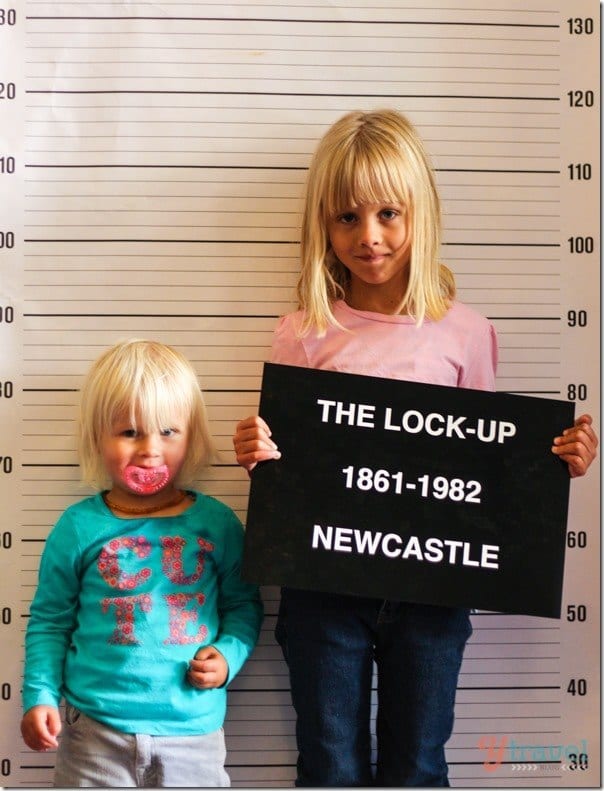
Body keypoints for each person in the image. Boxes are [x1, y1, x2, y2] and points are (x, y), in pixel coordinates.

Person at [232, 109, 598, 787]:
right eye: (346, 218)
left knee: (418, 766)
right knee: (330, 765)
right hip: (324, 590)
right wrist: (257, 450)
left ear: (420, 213)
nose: (368, 237)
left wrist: (559, 463)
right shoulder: (303, 332)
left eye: (388, 214)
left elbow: (486, 470)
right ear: (324, 225)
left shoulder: (466, 334)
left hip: (433, 592)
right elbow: (285, 471)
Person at [21, 339, 264, 788]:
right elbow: (50, 621)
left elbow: (244, 606)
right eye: (130, 432)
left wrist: (228, 658)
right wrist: (39, 696)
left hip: (193, 732)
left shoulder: (216, 523)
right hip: (93, 731)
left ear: (191, 436)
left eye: (168, 432)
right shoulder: (78, 527)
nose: (151, 451)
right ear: (98, 436)